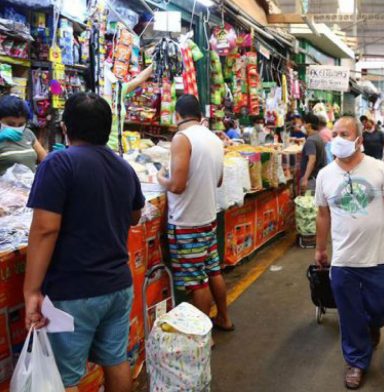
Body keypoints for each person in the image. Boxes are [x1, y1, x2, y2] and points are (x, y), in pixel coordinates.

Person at [24, 92, 144, 391]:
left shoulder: (59, 163)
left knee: (66, 377)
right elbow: (135, 215)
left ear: (66, 127)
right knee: (116, 359)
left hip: (73, 292)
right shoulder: (124, 168)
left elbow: (44, 229)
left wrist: (31, 290)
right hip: (118, 285)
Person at [314, 116, 384, 390]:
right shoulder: (325, 175)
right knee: (349, 314)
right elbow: (322, 215)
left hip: (377, 258)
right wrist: (320, 248)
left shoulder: (378, 169)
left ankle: (372, 325)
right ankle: (356, 361)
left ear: (359, 139)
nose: (338, 138)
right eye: (335, 133)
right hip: (343, 261)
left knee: (378, 309)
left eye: (345, 133)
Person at [156, 94, 234, 332]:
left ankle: (203, 334)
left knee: (196, 283)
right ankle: (223, 318)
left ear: (177, 115)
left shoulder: (182, 138)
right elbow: (219, 181)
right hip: (208, 219)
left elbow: (178, 186)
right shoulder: (214, 139)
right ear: (199, 115)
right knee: (213, 271)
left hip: (186, 222)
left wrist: (161, 178)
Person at [105, 63, 154, 152]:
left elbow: (139, 79)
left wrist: (155, 63)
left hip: (117, 148)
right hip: (104, 149)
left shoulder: (118, 90)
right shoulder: (95, 96)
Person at [0, 95, 47, 175]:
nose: (16, 127)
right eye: (11, 124)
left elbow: (45, 159)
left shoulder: (28, 133)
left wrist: (57, 155)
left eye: (21, 124)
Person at [300, 113, 326, 192]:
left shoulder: (310, 140)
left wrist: (305, 178)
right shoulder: (318, 137)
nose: (303, 126)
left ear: (308, 125)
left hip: (312, 180)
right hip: (318, 178)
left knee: (309, 202)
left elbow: (312, 160)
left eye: (304, 123)